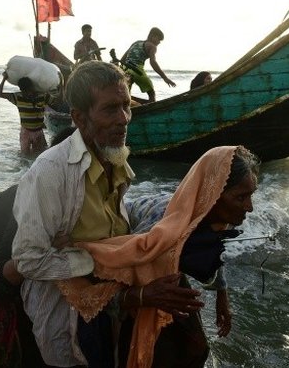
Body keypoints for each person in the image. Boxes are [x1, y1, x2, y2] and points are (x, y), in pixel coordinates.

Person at [10, 60, 203, 367]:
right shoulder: (51, 172)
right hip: (66, 310)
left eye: (126, 106)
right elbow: (28, 259)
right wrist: (97, 259)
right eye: (110, 109)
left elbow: (116, 223)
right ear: (79, 118)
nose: (124, 119)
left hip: (111, 301)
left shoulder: (114, 158)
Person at [61, 145, 259, 367]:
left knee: (196, 346)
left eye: (251, 195)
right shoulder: (159, 233)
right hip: (129, 247)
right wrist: (143, 295)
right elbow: (118, 269)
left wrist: (222, 297)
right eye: (241, 197)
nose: (249, 207)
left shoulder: (216, 217)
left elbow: (214, 249)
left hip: (166, 263)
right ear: (213, 195)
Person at [0, 129, 77, 368]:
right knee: (9, 333)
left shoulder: (88, 194)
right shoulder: (35, 199)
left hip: (9, 243)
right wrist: (41, 248)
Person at [0, 72, 50, 157]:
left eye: (28, 90)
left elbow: (58, 100)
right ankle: (24, 170)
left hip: (38, 132)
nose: (26, 92)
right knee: (24, 157)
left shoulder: (42, 96)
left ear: (32, 88)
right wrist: (4, 79)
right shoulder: (18, 97)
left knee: (39, 155)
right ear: (21, 90)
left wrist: (60, 87)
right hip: (25, 132)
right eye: (23, 90)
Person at [118, 27, 176, 103]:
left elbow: (122, 59)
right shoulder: (152, 46)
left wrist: (121, 70)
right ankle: (151, 108)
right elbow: (153, 62)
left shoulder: (136, 42)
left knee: (126, 93)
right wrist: (165, 78)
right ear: (152, 36)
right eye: (159, 39)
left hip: (125, 69)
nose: (159, 42)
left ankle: (129, 105)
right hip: (137, 70)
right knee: (151, 93)